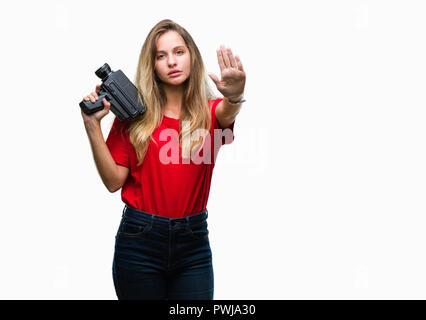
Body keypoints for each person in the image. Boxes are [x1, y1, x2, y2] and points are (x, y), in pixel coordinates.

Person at [80, 19, 246, 300]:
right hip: (139, 241)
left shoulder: (211, 113)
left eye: (179, 52)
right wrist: (92, 125)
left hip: (193, 243)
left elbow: (228, 112)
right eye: (161, 55)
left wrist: (235, 95)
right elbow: (113, 182)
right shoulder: (133, 117)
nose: (171, 61)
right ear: (153, 65)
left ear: (192, 56)